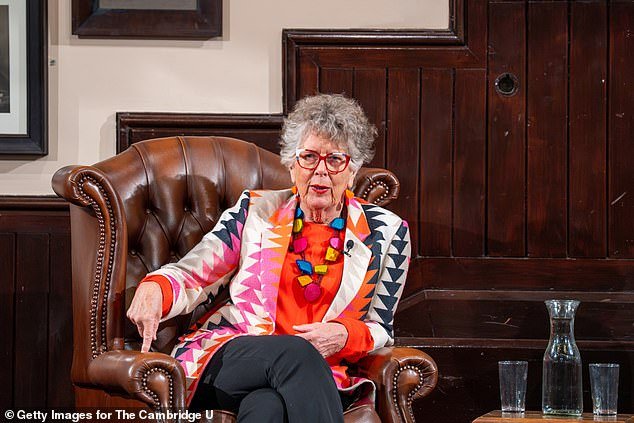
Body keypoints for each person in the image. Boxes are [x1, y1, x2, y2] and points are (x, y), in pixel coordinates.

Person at [127, 94, 411, 422]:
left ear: (353, 169)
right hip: (234, 357)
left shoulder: (386, 232)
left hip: (317, 375)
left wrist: (345, 335)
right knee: (297, 354)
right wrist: (156, 286)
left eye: (335, 159)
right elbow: (195, 272)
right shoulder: (256, 212)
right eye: (309, 157)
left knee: (267, 408)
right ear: (291, 165)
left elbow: (380, 326)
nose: (320, 171)